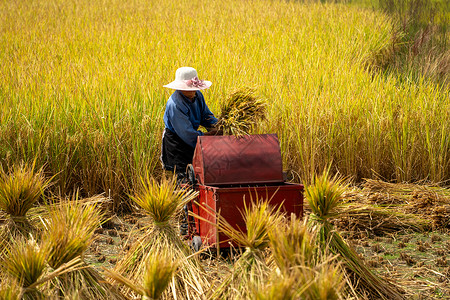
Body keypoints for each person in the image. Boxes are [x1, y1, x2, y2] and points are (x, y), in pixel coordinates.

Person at [161, 67, 219, 181]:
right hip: (176, 142)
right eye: (190, 88)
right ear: (180, 88)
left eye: (194, 88)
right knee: (182, 177)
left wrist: (220, 126)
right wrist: (209, 136)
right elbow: (186, 133)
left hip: (193, 137)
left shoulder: (198, 96)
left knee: (195, 175)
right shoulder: (175, 104)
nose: (193, 91)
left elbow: (206, 116)